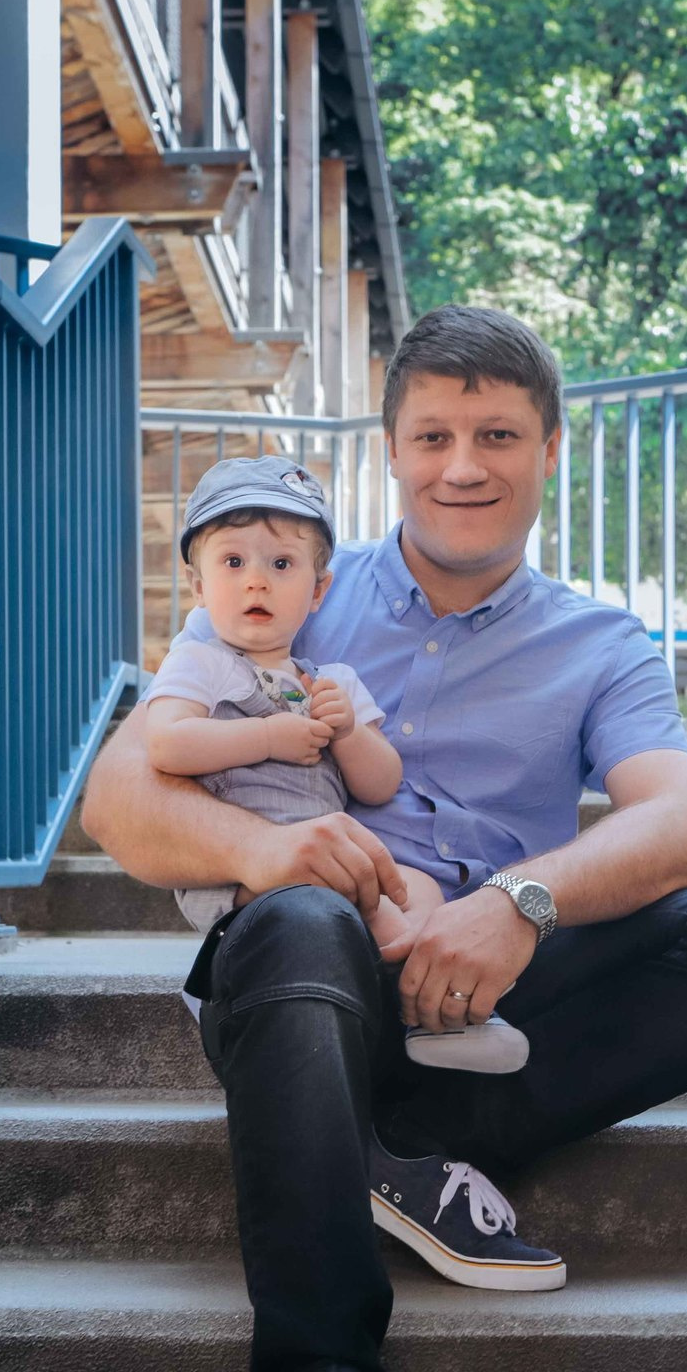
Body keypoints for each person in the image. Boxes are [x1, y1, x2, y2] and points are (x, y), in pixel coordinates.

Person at [81, 305, 687, 1372]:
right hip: (313, 975)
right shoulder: (286, 585)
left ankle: (412, 1150)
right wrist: (274, 852)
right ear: (391, 450)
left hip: (487, 973)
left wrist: (516, 905)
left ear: (549, 452)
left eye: (496, 434)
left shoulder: (601, 643)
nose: (462, 465)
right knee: (297, 921)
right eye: (432, 435)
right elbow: (118, 795)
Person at [145, 454, 531, 1073]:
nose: (256, 582)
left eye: (281, 564)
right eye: (233, 562)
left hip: (330, 855)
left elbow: (381, 784)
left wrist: (347, 730)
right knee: (342, 891)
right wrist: (267, 737)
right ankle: (439, 1009)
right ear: (198, 584)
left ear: (319, 588)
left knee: (423, 887)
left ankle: (425, 992)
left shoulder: (331, 680)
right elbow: (166, 743)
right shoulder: (202, 661)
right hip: (242, 873)